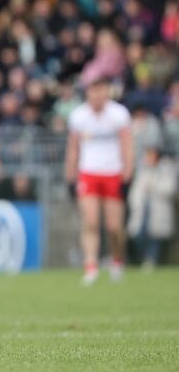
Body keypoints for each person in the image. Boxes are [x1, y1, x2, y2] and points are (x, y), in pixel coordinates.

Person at [65, 78, 133, 286]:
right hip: (88, 173)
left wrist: (128, 174)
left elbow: (127, 146)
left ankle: (116, 260)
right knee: (90, 222)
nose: (97, 95)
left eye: (101, 90)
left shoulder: (119, 114)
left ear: (107, 92)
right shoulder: (79, 116)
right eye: (93, 91)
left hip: (113, 173)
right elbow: (73, 148)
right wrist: (70, 176)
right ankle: (91, 267)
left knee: (114, 227)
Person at [127, 145, 177, 269]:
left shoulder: (166, 170)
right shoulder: (142, 171)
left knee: (156, 237)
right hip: (142, 211)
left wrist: (153, 186)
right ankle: (141, 260)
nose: (147, 158)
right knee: (138, 236)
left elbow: (171, 189)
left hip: (159, 210)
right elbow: (135, 192)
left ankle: (152, 260)